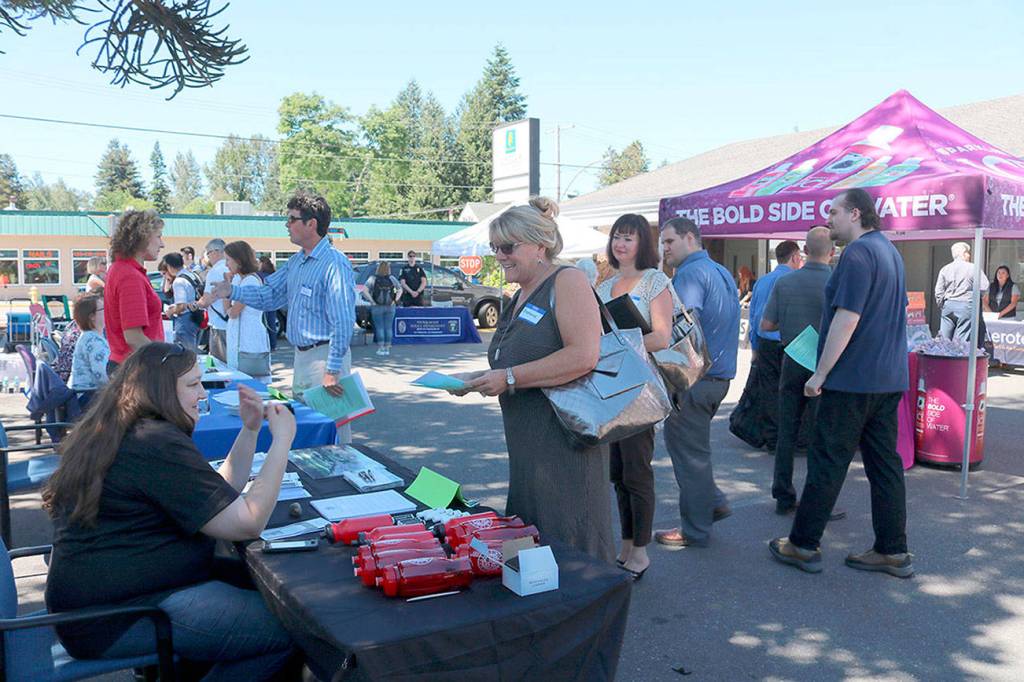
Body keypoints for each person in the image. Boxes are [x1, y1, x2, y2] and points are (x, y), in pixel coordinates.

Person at [43, 343, 297, 678]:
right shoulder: (153, 441)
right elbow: (248, 522)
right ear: (161, 389)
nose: (202, 394)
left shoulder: (130, 429)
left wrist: (250, 431)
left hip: (105, 604)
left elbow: (215, 495)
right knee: (292, 630)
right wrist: (282, 441)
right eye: (193, 384)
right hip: (121, 617)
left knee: (257, 589)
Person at [450, 197, 613, 563]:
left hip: (565, 442)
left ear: (540, 246)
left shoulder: (567, 280)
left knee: (570, 540)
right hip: (528, 445)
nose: (499, 256)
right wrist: (477, 379)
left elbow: (584, 355)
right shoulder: (520, 293)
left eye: (508, 247)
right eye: (494, 248)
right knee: (532, 536)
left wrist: (509, 378)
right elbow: (516, 360)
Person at [769, 188, 913, 579]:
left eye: (833, 212)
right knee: (884, 466)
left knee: (827, 462)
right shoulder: (889, 251)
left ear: (855, 214)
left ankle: (802, 544)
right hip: (887, 378)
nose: (828, 218)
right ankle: (892, 550)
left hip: (853, 380)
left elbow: (847, 318)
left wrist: (820, 373)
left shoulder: (858, 253)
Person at [204, 192, 356, 442]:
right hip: (304, 357)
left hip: (324, 358)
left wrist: (333, 370)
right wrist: (232, 291)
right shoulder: (297, 262)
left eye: (292, 219)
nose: (287, 225)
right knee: (308, 431)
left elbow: (342, 321)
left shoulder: (334, 264)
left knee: (331, 434)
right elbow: (269, 295)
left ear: (311, 224)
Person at [596, 214, 679, 579]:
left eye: (629, 238)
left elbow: (661, 336)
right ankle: (627, 546)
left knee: (637, 471)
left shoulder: (655, 281)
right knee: (617, 472)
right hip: (610, 387)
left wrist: (619, 346)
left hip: (641, 389)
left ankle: (641, 552)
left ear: (642, 243)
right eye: (617, 236)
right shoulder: (604, 285)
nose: (621, 243)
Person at [654, 217, 740, 548]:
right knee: (695, 452)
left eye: (669, 241)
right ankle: (712, 502)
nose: (665, 249)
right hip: (718, 377)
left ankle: (695, 530)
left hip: (696, 379)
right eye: (663, 242)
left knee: (689, 456)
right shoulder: (719, 271)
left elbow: (681, 328)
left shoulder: (689, 274)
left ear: (690, 238)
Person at [760, 227, 843, 516]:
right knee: (823, 435)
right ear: (832, 252)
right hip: (826, 364)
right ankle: (817, 501)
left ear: (804, 251)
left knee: (787, 431)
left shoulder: (785, 282)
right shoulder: (838, 283)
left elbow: (766, 326)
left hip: (793, 358)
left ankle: (783, 494)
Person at [746, 240, 803, 452]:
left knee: (769, 390)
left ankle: (772, 437)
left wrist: (754, 347)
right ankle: (792, 436)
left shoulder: (762, 281)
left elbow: (754, 316)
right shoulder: (795, 280)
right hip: (790, 342)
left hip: (765, 342)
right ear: (794, 257)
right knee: (792, 391)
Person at [104, 210, 165, 375]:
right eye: (159, 236)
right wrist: (166, 361)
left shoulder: (121, 269)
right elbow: (133, 337)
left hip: (127, 365)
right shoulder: (130, 276)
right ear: (143, 237)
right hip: (136, 368)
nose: (162, 244)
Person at [224, 241, 271, 379]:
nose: (226, 264)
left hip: (249, 339)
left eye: (228, 260)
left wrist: (226, 289)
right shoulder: (238, 279)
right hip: (239, 338)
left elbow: (233, 312)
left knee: (250, 380)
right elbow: (227, 309)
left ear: (238, 260)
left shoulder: (250, 281)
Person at [935, 242, 988, 343]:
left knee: (944, 340)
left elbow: (938, 291)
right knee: (961, 342)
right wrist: (974, 299)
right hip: (966, 305)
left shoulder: (945, 269)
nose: (969, 255)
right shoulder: (973, 267)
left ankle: (943, 353)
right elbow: (984, 286)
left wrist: (943, 304)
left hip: (948, 305)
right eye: (967, 253)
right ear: (963, 254)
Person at [69, 292, 109, 399]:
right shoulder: (93, 341)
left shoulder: (89, 336)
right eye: (103, 309)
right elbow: (103, 376)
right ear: (92, 316)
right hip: (87, 397)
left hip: (81, 394)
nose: (108, 311)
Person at [161, 252, 202, 351]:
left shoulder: (179, 281)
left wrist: (171, 311)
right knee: (192, 349)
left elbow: (181, 306)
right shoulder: (192, 275)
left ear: (169, 266)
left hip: (185, 319)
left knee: (185, 352)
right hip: (196, 316)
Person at [362, 261, 400, 356]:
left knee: (379, 327)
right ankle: (387, 349)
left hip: (377, 306)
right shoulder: (392, 278)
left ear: (378, 269)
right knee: (388, 327)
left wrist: (372, 301)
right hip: (390, 306)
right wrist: (395, 300)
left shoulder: (373, 278)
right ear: (388, 269)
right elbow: (400, 289)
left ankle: (381, 348)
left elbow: (364, 291)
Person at [204, 238, 231, 362]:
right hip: (232, 323)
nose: (208, 257)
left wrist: (194, 305)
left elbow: (207, 300)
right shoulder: (232, 268)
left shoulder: (214, 271)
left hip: (219, 323)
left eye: (208, 253)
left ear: (215, 251)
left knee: (219, 363)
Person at [257, 256, 280, 350]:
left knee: (262, 323)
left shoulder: (258, 275)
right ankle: (272, 345)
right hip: (272, 301)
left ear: (262, 264)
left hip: (263, 302)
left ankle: (264, 345)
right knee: (271, 323)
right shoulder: (273, 275)